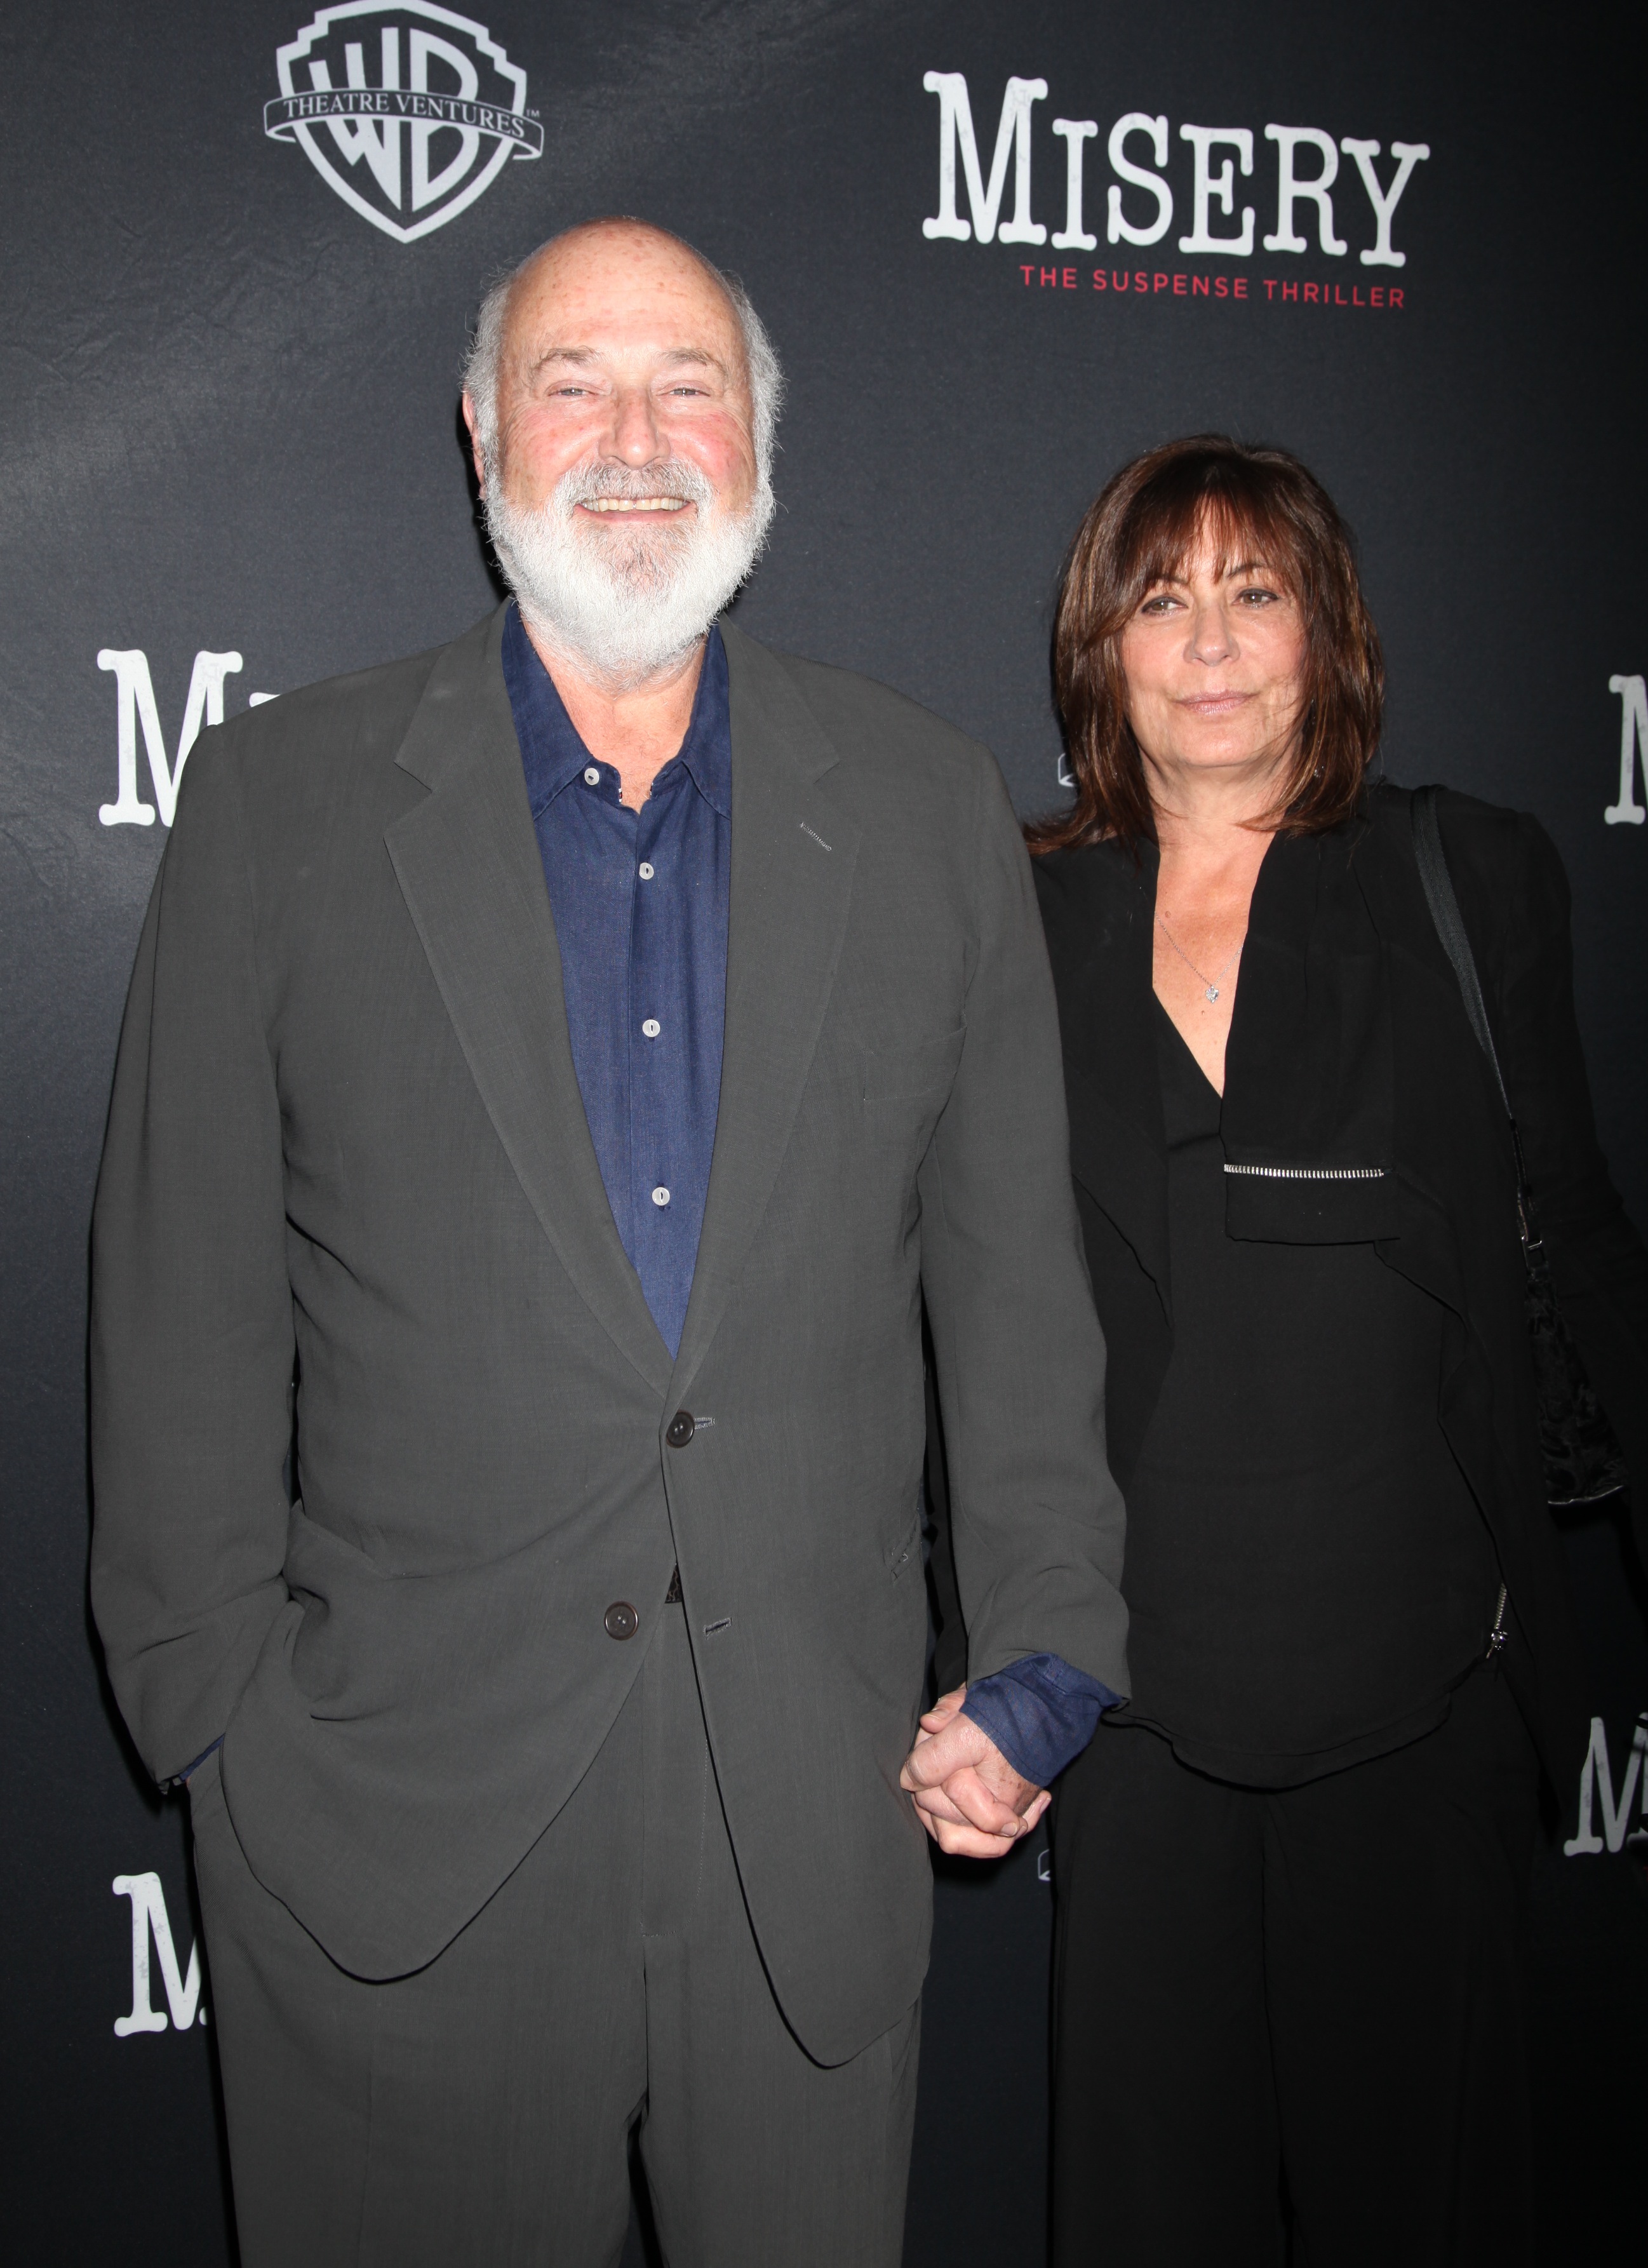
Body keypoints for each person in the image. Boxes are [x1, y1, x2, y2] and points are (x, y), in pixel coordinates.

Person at [88, 218, 1129, 2268]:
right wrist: (222, 1728)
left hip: (811, 1838)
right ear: (485, 431)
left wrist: (1038, 1657)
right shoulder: (276, 801)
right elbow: (176, 1306)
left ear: (762, 445)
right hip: (389, 1853)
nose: (635, 437)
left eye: (692, 385)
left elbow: (1015, 1305)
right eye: (574, 381)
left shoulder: (926, 808)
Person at [1030, 434, 1648, 2267]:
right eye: (1162, 597)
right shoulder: (1013, 915)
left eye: (1255, 591)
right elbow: (957, 1309)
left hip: (1415, 1705)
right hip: (1133, 1719)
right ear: (1100, 644)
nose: (1208, 642)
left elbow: (1587, 1242)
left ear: (1328, 630)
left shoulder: (1466, 874)